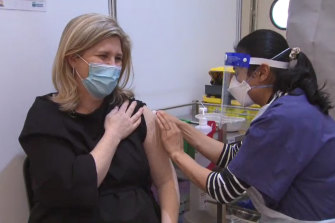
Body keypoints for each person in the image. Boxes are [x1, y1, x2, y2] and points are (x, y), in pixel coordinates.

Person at [156, 29, 335, 222]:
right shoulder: (290, 103)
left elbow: (223, 189)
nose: (234, 82)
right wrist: (181, 127)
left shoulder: (282, 117)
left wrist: (177, 153)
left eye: (238, 73)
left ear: (262, 72)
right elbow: (234, 155)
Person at [19, 13, 179, 223]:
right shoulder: (46, 117)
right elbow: (76, 188)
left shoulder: (135, 112)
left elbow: (166, 181)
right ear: (73, 59)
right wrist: (113, 134)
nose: (113, 66)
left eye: (118, 58)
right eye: (103, 56)